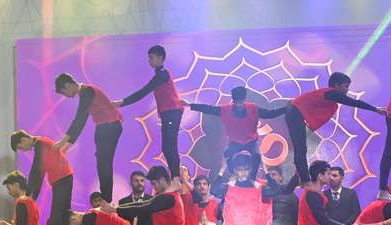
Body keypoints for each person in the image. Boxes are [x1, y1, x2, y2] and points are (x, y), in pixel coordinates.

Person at [285, 73, 385, 183]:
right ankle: (306, 181)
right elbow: (353, 102)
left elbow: (298, 104)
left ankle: (300, 175)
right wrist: (375, 109)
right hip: (294, 112)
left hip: (293, 111)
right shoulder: (331, 93)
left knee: (301, 148)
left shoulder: (327, 95)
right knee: (301, 148)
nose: (347, 90)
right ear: (336, 85)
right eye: (345, 86)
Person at [116, 44, 185, 178]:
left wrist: (121, 102)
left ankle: (176, 178)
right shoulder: (160, 74)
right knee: (166, 148)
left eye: (151, 58)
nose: (149, 61)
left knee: (170, 146)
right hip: (168, 113)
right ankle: (174, 177)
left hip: (172, 112)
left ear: (160, 58)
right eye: (149, 58)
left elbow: (143, 92)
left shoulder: (162, 74)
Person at [11, 128, 74, 225]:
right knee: (61, 221)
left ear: (24, 139)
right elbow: (40, 173)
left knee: (56, 223)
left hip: (62, 180)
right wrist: (32, 197)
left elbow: (36, 170)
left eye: (21, 147)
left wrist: (28, 195)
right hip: (62, 181)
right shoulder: (41, 144)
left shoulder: (40, 143)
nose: (24, 150)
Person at [188, 86, 287, 173]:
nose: (239, 105)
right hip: (235, 142)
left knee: (257, 156)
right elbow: (209, 109)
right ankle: (233, 175)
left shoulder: (253, 108)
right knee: (227, 154)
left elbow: (270, 114)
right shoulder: (226, 110)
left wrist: (287, 109)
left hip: (251, 141)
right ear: (233, 101)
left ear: (244, 100)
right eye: (236, 102)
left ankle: (252, 178)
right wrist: (190, 105)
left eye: (241, 102)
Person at [55, 73, 124, 198]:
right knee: (102, 163)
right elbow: (80, 120)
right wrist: (66, 145)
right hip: (104, 127)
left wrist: (62, 143)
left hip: (110, 126)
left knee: (104, 163)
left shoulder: (87, 91)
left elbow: (80, 119)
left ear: (68, 86)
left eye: (64, 93)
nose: (66, 96)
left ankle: (106, 198)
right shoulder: (85, 93)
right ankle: (106, 197)